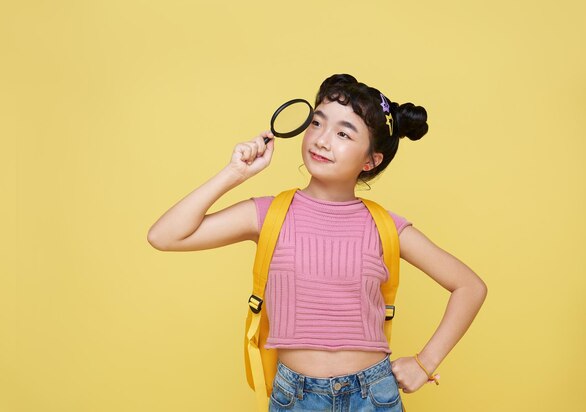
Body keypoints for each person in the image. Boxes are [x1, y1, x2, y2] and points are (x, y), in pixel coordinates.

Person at [147, 74, 487, 411]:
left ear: (371, 161)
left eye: (343, 133)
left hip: (373, 396)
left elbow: (469, 286)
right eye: (316, 123)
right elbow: (164, 236)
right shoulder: (268, 214)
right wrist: (234, 174)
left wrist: (425, 363)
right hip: (295, 397)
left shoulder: (385, 226)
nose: (322, 140)